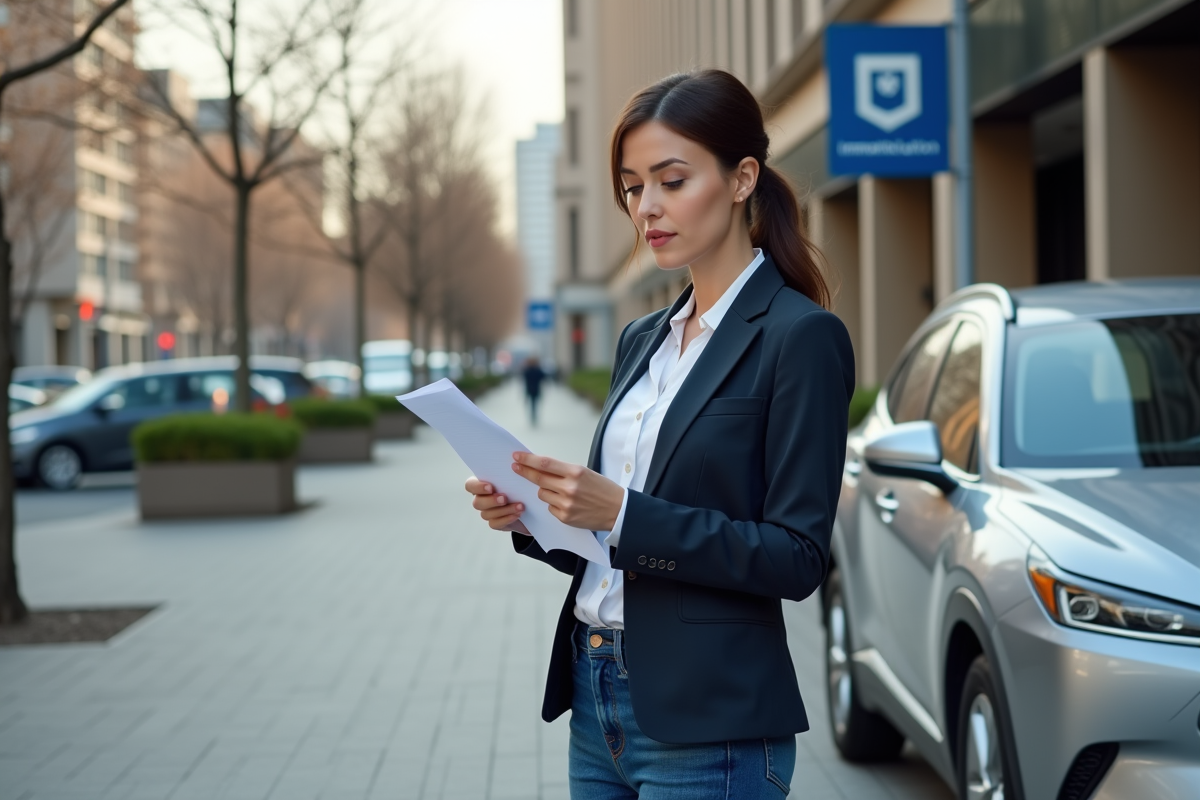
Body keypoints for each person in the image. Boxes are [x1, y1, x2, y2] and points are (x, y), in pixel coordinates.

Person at [465, 69, 853, 799]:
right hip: (596, 690)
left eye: (671, 181)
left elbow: (797, 557)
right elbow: (612, 545)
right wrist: (533, 514)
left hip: (711, 722)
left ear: (742, 179)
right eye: (633, 187)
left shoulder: (800, 337)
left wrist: (622, 511)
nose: (648, 207)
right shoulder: (643, 338)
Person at [523, 356, 547, 425]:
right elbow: (543, 377)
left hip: (529, 389)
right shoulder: (538, 370)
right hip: (536, 389)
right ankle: (534, 416)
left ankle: (533, 416)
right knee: (535, 403)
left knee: (532, 404)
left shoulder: (527, 371)